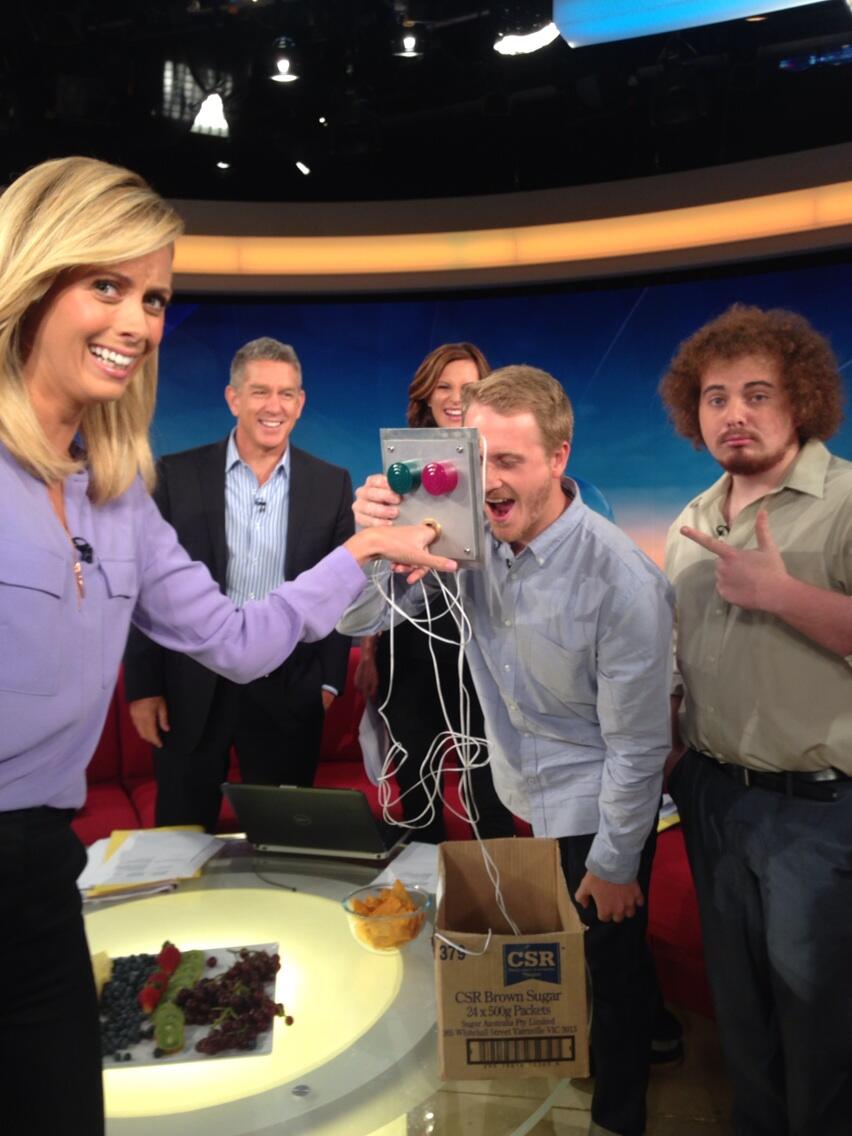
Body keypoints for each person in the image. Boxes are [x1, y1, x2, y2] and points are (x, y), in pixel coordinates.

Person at [0, 155, 454, 1136]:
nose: (136, 322)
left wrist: (366, 550)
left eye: (154, 298)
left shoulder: (116, 493)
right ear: (30, 277)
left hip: (38, 866)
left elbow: (238, 639)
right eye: (106, 284)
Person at [341, 365, 674, 1136]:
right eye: (478, 459)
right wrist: (375, 544)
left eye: (510, 462)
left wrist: (615, 864)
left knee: (613, 966)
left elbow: (637, 746)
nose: (488, 482)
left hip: (601, 804)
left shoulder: (621, 579)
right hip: (525, 792)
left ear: (558, 458)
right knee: (586, 957)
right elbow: (356, 621)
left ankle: (619, 1115)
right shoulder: (474, 543)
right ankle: (608, 1047)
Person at [660, 303, 852, 1136]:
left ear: (801, 400)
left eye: (757, 393)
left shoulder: (847, 501)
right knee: (738, 1007)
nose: (733, 413)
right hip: (711, 796)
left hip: (817, 810)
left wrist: (784, 595)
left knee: (818, 1018)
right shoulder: (692, 519)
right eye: (715, 398)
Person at [123, 337, 354, 830]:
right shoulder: (173, 476)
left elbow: (340, 590)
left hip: (288, 686)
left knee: (285, 837)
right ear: (233, 398)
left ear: (301, 403)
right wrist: (143, 687)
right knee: (181, 835)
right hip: (189, 688)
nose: (274, 407)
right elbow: (144, 585)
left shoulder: (331, 484)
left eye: (286, 394)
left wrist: (329, 681)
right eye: (260, 392)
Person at [355, 342, 515, 842]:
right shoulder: (399, 472)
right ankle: (423, 881)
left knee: (490, 788)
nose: (454, 398)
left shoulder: (508, 466)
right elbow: (379, 574)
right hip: (410, 647)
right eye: (442, 387)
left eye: (467, 388)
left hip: (484, 645)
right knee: (416, 784)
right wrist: (369, 649)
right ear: (425, 398)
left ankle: (500, 883)